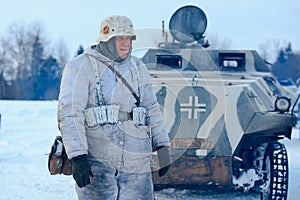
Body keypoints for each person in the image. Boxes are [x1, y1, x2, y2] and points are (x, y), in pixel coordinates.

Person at [57, 15, 171, 199]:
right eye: (119, 38)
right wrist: (78, 155)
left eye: (128, 38)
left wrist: (162, 145)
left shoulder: (138, 67)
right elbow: (70, 113)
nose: (125, 44)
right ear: (106, 39)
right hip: (98, 161)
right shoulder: (80, 66)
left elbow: (151, 107)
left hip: (137, 160)